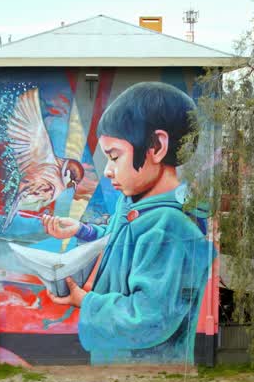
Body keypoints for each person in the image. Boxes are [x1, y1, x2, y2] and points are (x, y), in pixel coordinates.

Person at [41, 82, 212, 364]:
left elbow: (147, 319)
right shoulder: (132, 204)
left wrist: (86, 303)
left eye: (115, 157)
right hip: (117, 366)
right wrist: (82, 230)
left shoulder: (170, 229)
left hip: (147, 374)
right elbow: (121, 243)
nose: (108, 170)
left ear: (156, 147)